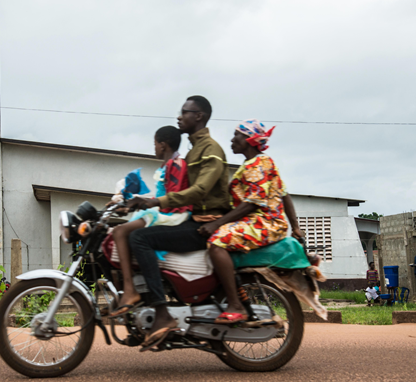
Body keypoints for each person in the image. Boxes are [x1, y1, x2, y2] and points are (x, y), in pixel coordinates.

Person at [126, 95, 231, 349]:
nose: (179, 116)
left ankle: (162, 314)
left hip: (206, 223)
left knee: (139, 238)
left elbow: (200, 191)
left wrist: (157, 203)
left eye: (185, 112)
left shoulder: (210, 150)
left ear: (199, 117)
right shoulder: (195, 149)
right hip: (194, 219)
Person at [198, 119, 304, 324]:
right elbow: (285, 195)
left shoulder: (257, 165)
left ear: (249, 139)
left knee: (216, 242)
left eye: (236, 135)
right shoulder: (262, 162)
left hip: (263, 222)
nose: (232, 139)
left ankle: (236, 305)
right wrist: (295, 227)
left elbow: (252, 203)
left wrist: (216, 224)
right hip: (267, 221)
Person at [109, 126, 191, 318]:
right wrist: (133, 203)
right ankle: (126, 290)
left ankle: (130, 290)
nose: (154, 148)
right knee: (119, 232)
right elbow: (160, 195)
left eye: (155, 143)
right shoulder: (168, 165)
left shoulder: (177, 164)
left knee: (120, 232)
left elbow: (173, 198)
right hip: (163, 210)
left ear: (163, 145)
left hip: (173, 214)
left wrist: (146, 204)